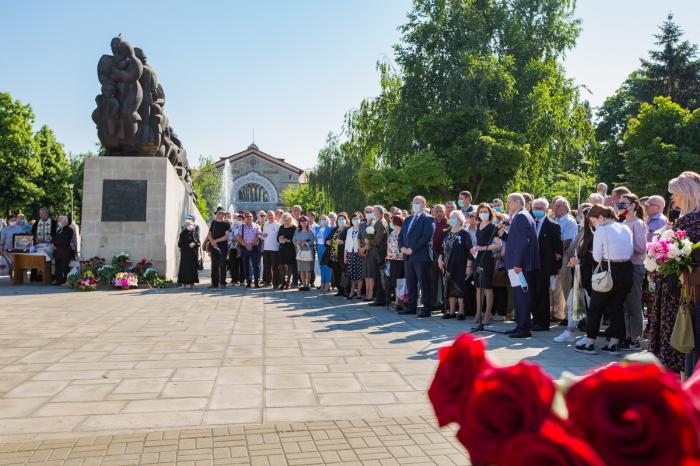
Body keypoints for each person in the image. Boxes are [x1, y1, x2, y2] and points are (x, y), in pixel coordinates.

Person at [650, 172, 700, 374]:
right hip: (685, 289)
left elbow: (682, 257)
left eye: (676, 194)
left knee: (680, 338)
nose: (673, 199)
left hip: (682, 291)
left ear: (687, 194)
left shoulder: (688, 221)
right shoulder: (687, 220)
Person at [575, 204, 633, 355]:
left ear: (600, 217)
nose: (594, 225)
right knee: (617, 307)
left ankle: (589, 343)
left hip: (609, 270)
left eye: (594, 221)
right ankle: (613, 344)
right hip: (627, 269)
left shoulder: (602, 229)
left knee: (595, 308)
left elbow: (597, 257)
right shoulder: (625, 227)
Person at [500, 193, 540, 338]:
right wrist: (503, 235)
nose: (507, 205)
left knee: (521, 296)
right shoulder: (521, 215)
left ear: (517, 202)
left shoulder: (521, 216)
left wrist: (518, 263)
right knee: (518, 296)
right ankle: (520, 325)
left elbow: (523, 242)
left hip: (519, 265)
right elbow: (515, 240)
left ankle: (524, 328)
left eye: (509, 202)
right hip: (517, 263)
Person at [556, 207, 594, 343]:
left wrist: (578, 261)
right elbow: (574, 249)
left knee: (591, 306)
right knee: (573, 302)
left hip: (589, 275)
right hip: (578, 273)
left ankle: (589, 335)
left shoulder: (594, 234)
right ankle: (569, 331)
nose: (579, 219)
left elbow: (594, 256)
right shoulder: (582, 231)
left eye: (582, 216)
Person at [618, 193, 648, 351]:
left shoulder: (637, 223)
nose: (621, 205)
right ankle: (626, 335)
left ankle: (635, 338)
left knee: (634, 302)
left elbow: (641, 248)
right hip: (622, 267)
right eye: (619, 203)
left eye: (624, 203)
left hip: (635, 266)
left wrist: (622, 246)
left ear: (633, 205)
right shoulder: (622, 222)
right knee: (623, 303)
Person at [398, 196, 435, 318]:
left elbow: (426, 237)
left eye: (418, 203)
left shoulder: (428, 219)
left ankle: (426, 308)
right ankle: (411, 307)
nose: (415, 205)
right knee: (411, 283)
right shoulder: (408, 219)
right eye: (414, 203)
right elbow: (401, 236)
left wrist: (412, 249)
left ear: (424, 205)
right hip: (407, 256)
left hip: (421, 256)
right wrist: (402, 247)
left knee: (424, 283)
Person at [531, 198, 563, 331]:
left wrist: (556, 267)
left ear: (546, 209)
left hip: (544, 265)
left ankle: (543, 322)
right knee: (533, 293)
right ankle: (535, 319)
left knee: (543, 293)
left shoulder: (553, 225)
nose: (537, 211)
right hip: (531, 263)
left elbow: (558, 248)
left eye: (540, 208)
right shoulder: (530, 223)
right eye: (535, 208)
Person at [438, 210, 473, 320]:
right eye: (451, 217)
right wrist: (440, 259)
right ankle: (451, 311)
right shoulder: (447, 232)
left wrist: (468, 267)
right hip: (448, 265)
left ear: (460, 220)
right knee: (449, 288)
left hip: (460, 264)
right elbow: (442, 248)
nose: (452, 219)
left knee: (460, 288)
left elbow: (470, 251)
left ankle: (461, 311)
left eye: (455, 217)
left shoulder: (464, 234)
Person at [471, 203, 501, 324]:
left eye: (485, 211)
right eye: (481, 211)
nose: (483, 213)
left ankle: (488, 314)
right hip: (478, 258)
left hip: (487, 258)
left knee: (487, 287)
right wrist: (474, 248)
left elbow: (498, 245)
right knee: (478, 287)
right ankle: (479, 313)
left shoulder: (493, 226)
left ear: (490, 213)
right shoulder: (478, 225)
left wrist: (482, 248)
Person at [551, 198, 577, 322]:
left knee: (564, 285)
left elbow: (567, 242)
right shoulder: (555, 220)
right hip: (553, 256)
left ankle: (567, 316)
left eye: (558, 206)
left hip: (564, 255)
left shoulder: (569, 221)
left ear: (565, 208)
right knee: (554, 286)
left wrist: (555, 251)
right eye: (554, 206)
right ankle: (556, 312)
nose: (554, 208)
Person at [367, 205, 389, 306]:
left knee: (380, 276)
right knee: (377, 276)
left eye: (374, 211)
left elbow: (378, 239)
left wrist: (369, 242)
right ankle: (379, 298)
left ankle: (381, 299)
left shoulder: (381, 222)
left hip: (380, 251)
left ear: (379, 212)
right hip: (377, 251)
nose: (373, 213)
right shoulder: (378, 221)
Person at [430, 204, 449, 312]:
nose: (438, 213)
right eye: (436, 211)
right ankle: (435, 302)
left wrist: (442, 256)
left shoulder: (449, 223)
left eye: (440, 211)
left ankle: (444, 304)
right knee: (433, 279)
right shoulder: (432, 223)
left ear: (444, 211)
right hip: (433, 254)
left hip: (443, 255)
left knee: (444, 280)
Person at [207, 208, 231, 289]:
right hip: (214, 246)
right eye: (218, 213)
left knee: (222, 264)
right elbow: (209, 234)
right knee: (214, 265)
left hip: (223, 247)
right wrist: (212, 242)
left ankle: (223, 283)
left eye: (222, 213)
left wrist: (216, 241)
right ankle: (214, 283)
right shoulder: (213, 222)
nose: (220, 214)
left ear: (224, 215)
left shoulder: (227, 224)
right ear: (216, 214)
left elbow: (226, 236)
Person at [31, 207, 56, 282]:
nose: (40, 215)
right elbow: (33, 233)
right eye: (40, 213)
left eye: (42, 213)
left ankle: (48, 276)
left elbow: (55, 234)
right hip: (38, 245)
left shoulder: (53, 222)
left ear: (46, 213)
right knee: (34, 256)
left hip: (49, 245)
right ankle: (35, 277)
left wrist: (49, 240)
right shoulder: (37, 222)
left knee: (47, 255)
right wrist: (36, 239)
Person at [327, 213, 349, 296]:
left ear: (346, 220)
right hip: (334, 254)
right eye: (339, 219)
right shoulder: (335, 229)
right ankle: (339, 290)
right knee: (336, 273)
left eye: (342, 219)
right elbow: (328, 238)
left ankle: (345, 290)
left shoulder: (348, 229)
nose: (341, 221)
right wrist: (327, 241)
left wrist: (343, 242)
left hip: (343, 254)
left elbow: (350, 241)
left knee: (343, 272)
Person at [237, 212, 261, 288]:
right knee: (246, 265)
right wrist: (245, 245)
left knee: (255, 265)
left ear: (252, 217)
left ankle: (256, 281)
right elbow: (239, 237)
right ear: (245, 218)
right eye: (247, 216)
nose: (249, 217)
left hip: (254, 248)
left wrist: (252, 244)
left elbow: (258, 236)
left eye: (250, 216)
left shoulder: (256, 226)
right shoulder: (241, 226)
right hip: (245, 248)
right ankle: (248, 281)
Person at [386, 215, 405, 311]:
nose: (391, 223)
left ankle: (399, 302)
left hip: (400, 260)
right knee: (395, 281)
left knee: (399, 281)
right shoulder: (393, 232)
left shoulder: (402, 231)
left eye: (392, 221)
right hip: (392, 259)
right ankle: (397, 301)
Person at [344, 212, 364, 299]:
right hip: (350, 254)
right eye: (353, 219)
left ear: (360, 219)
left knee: (359, 274)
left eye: (357, 219)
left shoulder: (362, 229)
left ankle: (358, 292)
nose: (355, 220)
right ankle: (352, 291)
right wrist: (345, 256)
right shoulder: (349, 230)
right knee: (352, 274)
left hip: (359, 253)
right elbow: (347, 244)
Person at [293, 215, 315, 291]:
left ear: (307, 222)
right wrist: (298, 244)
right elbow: (294, 240)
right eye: (301, 221)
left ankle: (307, 285)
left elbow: (312, 240)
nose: (303, 222)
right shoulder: (297, 231)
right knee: (301, 269)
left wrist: (305, 243)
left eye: (304, 220)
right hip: (299, 252)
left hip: (308, 252)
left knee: (308, 269)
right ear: (299, 222)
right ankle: (303, 284)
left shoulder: (310, 231)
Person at [51, 216, 75, 285]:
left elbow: (65, 240)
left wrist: (55, 243)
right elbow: (54, 237)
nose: (61, 221)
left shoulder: (69, 230)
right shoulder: (59, 230)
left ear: (66, 222)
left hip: (65, 252)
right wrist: (53, 242)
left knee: (64, 267)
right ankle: (58, 280)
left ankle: (64, 280)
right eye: (61, 220)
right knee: (57, 267)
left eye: (63, 220)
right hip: (57, 251)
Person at [277, 213, 297, 289]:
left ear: (290, 219)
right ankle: (283, 282)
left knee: (289, 266)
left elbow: (295, 239)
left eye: (287, 219)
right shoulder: (281, 227)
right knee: (281, 266)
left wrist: (288, 240)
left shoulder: (293, 228)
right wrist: (280, 238)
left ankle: (288, 281)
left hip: (290, 249)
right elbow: (277, 238)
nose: (286, 220)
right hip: (282, 249)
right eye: (284, 219)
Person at [178, 218, 200, 288]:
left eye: (191, 224)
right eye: (188, 224)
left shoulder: (195, 233)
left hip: (193, 254)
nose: (190, 226)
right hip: (185, 254)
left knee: (192, 268)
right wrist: (188, 245)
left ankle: (192, 284)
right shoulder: (182, 234)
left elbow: (198, 242)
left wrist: (195, 244)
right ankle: (184, 283)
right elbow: (180, 244)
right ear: (186, 225)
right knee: (184, 269)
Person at [262, 210, 280, 287]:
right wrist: (263, 235)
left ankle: (276, 283)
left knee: (275, 266)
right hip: (266, 248)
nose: (270, 216)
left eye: (271, 215)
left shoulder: (278, 225)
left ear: (274, 216)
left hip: (274, 248)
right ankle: (268, 281)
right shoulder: (265, 224)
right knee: (267, 266)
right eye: (268, 215)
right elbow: (263, 236)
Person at [315, 215, 332, 292]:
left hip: (326, 249)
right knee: (321, 267)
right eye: (321, 219)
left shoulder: (329, 228)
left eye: (324, 219)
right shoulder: (317, 228)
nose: (323, 220)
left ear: (327, 220)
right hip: (319, 249)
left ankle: (327, 284)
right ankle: (322, 283)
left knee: (327, 267)